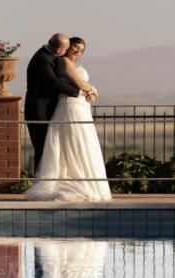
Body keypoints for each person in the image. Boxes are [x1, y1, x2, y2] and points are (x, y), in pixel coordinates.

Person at [25, 37, 112, 202]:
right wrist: (92, 90)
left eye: (82, 50)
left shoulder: (61, 61)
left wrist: (86, 92)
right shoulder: (63, 61)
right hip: (69, 107)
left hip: (80, 108)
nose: (78, 51)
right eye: (76, 47)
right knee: (69, 143)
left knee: (83, 144)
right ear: (67, 47)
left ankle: (85, 181)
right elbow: (77, 83)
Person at [24, 33, 86, 171]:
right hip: (38, 111)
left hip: (48, 110)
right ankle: (40, 180)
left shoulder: (51, 56)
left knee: (50, 148)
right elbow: (54, 84)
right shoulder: (43, 59)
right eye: (67, 48)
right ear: (58, 50)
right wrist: (80, 93)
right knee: (42, 147)